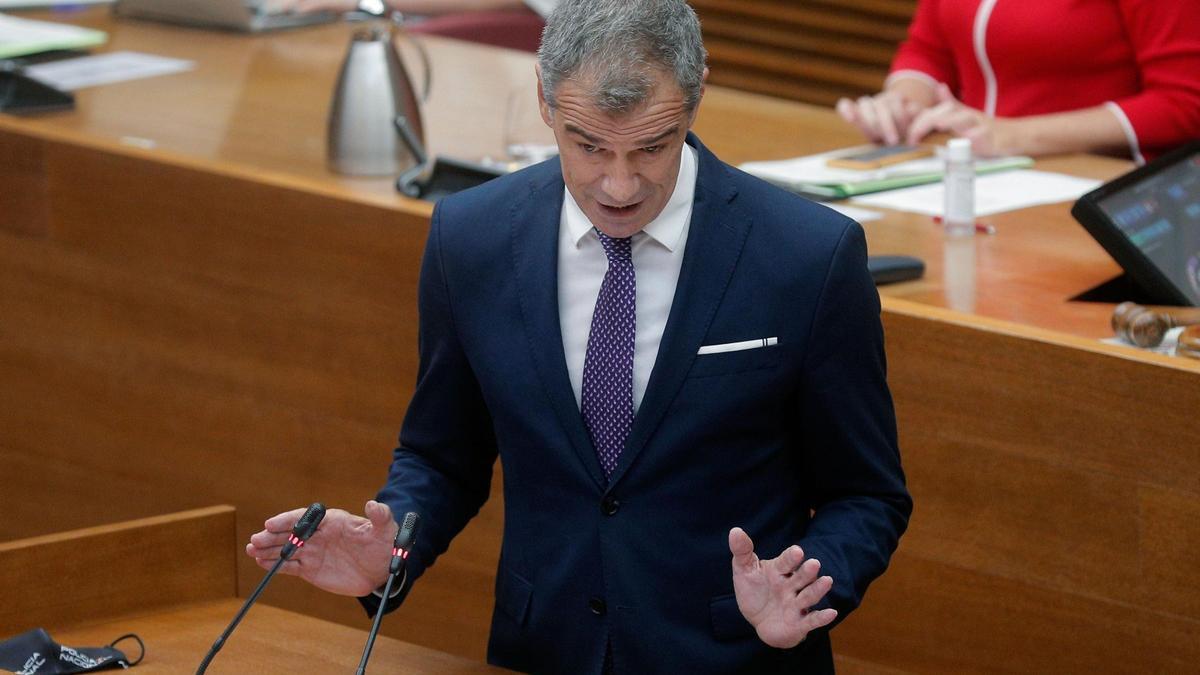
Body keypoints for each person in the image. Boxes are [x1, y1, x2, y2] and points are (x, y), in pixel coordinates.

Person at [247, 0, 911, 671]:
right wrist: (389, 550)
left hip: (734, 656)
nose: (618, 186)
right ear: (543, 99)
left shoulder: (806, 255)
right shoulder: (471, 237)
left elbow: (868, 493)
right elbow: (443, 456)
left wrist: (808, 581)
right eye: (588, 145)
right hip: (543, 650)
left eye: (652, 146)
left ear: (697, 92)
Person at [837, 0, 1200, 163]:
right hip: (970, 174)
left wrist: (1011, 135)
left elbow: (1185, 101)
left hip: (1091, 188)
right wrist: (902, 103)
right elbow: (928, 48)